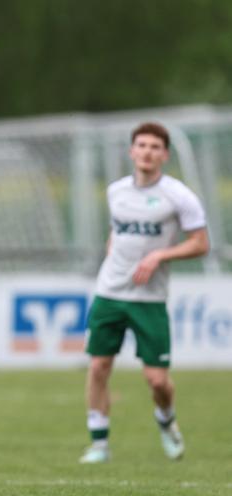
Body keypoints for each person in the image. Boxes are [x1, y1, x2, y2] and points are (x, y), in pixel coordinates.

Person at [79, 122, 210, 464]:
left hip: (149, 299)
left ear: (164, 154)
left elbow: (201, 243)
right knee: (98, 366)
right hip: (109, 292)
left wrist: (159, 255)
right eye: (142, 145)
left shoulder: (179, 196)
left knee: (157, 381)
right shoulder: (116, 191)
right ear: (132, 151)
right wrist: (114, 257)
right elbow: (117, 233)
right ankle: (99, 443)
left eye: (155, 146)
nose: (147, 151)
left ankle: (166, 421)